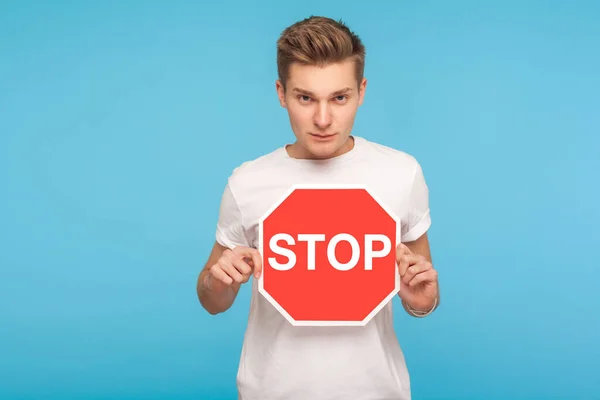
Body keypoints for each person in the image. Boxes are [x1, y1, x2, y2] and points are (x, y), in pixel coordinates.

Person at [196, 15, 440, 400]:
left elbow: (423, 293)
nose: (323, 119)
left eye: (339, 98)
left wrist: (422, 302)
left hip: (377, 391)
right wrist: (218, 281)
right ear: (281, 93)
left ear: (361, 91)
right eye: (305, 98)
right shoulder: (247, 182)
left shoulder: (401, 173)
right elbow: (212, 300)